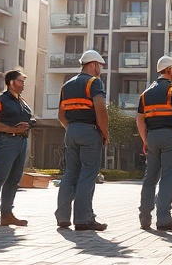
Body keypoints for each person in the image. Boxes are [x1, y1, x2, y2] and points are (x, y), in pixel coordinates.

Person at [55, 50, 110, 231]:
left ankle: (63, 217)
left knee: (70, 174)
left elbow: (61, 115)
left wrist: (72, 129)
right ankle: (83, 219)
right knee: (88, 174)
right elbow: (101, 110)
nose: (100, 70)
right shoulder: (94, 83)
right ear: (94, 64)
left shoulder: (67, 85)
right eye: (100, 66)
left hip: (70, 130)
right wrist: (104, 134)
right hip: (89, 131)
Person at [137, 55, 172, 231]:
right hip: (170, 137)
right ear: (169, 69)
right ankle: (164, 219)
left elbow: (139, 121)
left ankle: (145, 218)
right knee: (167, 178)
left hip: (152, 137)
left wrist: (145, 140)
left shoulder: (145, 93)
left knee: (150, 178)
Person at [0, 70, 34, 230]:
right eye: (21, 81)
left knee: (14, 179)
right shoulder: (0, 100)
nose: (23, 84)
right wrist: (12, 129)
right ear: (11, 82)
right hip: (6, 141)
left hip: (22, 142)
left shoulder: (22, 102)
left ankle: (6, 215)